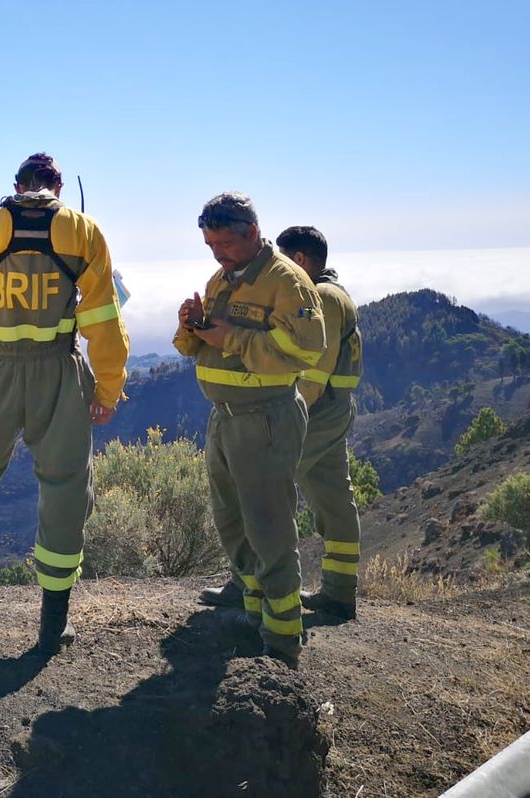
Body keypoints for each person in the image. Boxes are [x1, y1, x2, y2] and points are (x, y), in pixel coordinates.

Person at [0, 153, 129, 656]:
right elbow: (104, 319)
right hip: (57, 371)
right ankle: (52, 622)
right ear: (57, 186)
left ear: (17, 184)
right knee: (64, 487)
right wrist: (108, 389)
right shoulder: (83, 231)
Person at [173, 192, 325, 668]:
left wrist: (230, 338)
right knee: (232, 521)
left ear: (253, 234)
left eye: (225, 243)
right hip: (225, 418)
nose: (218, 253)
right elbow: (196, 348)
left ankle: (282, 642)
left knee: (269, 527)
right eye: (210, 244)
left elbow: (305, 351)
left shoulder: (287, 282)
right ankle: (254, 612)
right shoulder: (221, 278)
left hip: (265, 417)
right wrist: (190, 326)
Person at [198, 226, 363, 621]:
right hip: (335, 411)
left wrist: (278, 415)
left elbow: (311, 373)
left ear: (301, 261)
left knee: (261, 499)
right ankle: (340, 592)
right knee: (333, 497)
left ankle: (249, 586)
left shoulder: (320, 296)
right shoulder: (336, 293)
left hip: (313, 412)